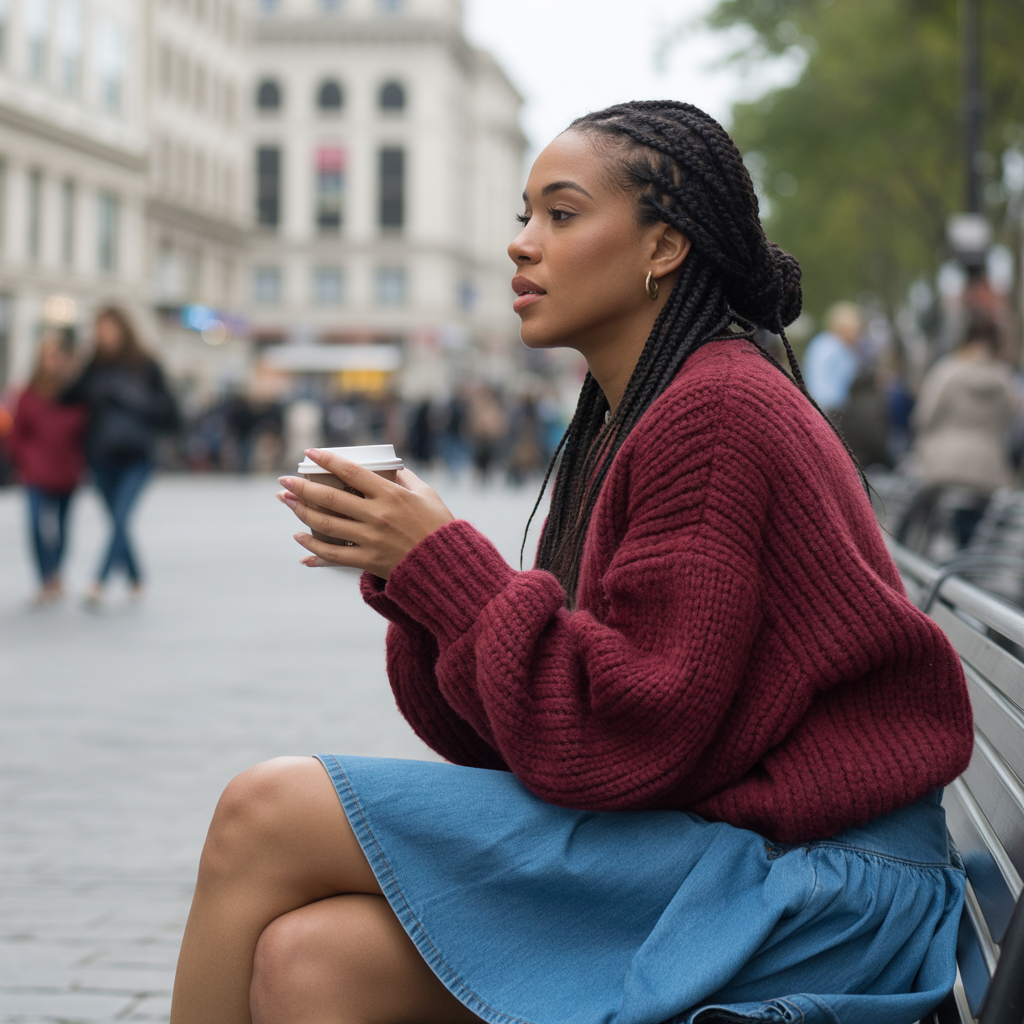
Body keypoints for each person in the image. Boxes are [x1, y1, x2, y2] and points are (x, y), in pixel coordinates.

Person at [171, 102, 971, 1024]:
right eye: (526, 216)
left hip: (817, 886)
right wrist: (420, 582)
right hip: (734, 841)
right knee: (310, 962)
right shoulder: (639, 412)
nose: (521, 244)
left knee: (266, 810)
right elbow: (531, 740)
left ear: (662, 246)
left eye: (561, 213)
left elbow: (622, 738)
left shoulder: (716, 413)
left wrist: (442, 564)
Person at [63, 307, 178, 608]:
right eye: (100, 330)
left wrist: (132, 397)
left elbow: (171, 412)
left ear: (124, 330)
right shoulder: (94, 366)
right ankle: (136, 577)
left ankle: (98, 581)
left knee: (120, 517)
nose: (105, 336)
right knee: (117, 520)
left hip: (137, 455)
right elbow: (67, 397)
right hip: (101, 454)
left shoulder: (145, 365)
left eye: (110, 329)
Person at [904, 317, 1018, 547]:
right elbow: (1010, 419)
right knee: (974, 530)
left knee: (925, 531)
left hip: (942, 463)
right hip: (988, 466)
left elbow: (923, 416)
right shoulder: (1004, 378)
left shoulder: (946, 371)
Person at [9, 330, 89, 605]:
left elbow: (85, 429)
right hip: (35, 471)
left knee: (62, 527)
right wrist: (24, 458)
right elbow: (16, 432)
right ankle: (45, 578)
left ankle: (56, 573)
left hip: (67, 469)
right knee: (35, 524)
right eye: (47, 356)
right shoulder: (28, 392)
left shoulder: (75, 393)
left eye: (56, 357)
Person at [802, 300, 863, 417]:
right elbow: (817, 382)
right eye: (855, 328)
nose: (857, 334)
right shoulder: (827, 345)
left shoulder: (844, 349)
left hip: (836, 409)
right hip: (826, 409)